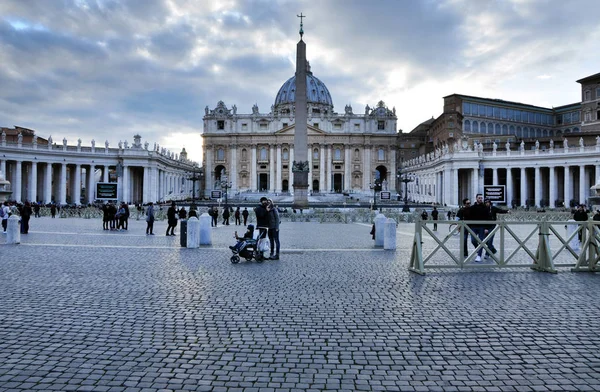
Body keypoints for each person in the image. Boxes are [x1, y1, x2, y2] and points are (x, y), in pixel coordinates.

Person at [468, 194, 490, 262]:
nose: (480, 199)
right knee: (473, 240)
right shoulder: (472, 208)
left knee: (481, 241)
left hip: (482, 227)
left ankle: (479, 255)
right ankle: (478, 249)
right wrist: (469, 227)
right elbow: (469, 218)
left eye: (481, 198)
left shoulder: (485, 208)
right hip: (473, 227)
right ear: (476, 198)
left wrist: (486, 228)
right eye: (479, 198)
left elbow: (488, 218)